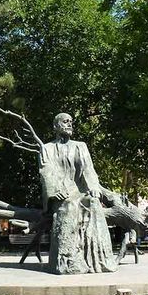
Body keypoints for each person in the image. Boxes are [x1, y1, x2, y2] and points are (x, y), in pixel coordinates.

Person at [39, 113, 117, 274]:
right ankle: (68, 260)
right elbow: (46, 172)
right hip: (60, 194)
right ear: (56, 126)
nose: (69, 124)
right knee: (68, 206)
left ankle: (99, 259)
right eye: (65, 121)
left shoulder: (80, 146)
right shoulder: (47, 148)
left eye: (70, 121)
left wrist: (94, 187)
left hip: (79, 191)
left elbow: (89, 170)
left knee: (94, 203)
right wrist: (55, 191)